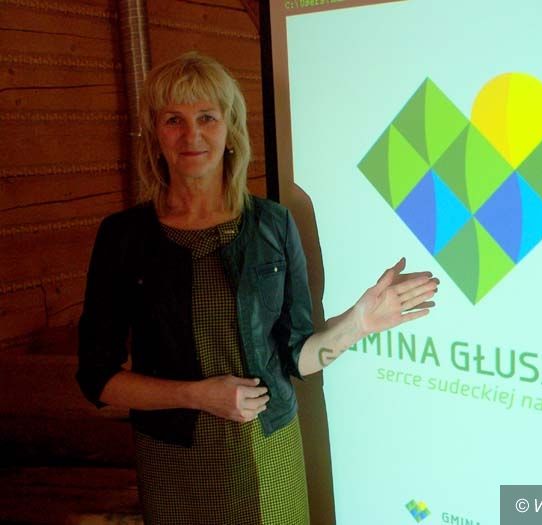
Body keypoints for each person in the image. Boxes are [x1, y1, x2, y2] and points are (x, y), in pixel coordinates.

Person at [76, 51, 439, 525]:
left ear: (230, 129)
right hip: (175, 460)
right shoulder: (124, 236)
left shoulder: (273, 224)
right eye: (174, 120)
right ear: (155, 134)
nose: (192, 135)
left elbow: (296, 357)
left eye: (207, 117)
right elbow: (98, 379)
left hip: (270, 452)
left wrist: (359, 322)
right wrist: (197, 395)